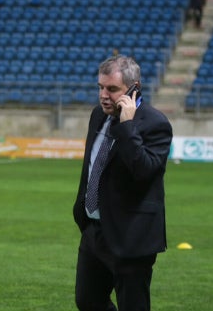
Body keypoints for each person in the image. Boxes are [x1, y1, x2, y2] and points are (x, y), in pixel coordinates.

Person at [72, 55, 173, 311]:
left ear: (133, 88)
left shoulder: (155, 123)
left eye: (112, 89)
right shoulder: (98, 115)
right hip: (94, 231)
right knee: (88, 301)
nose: (104, 95)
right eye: (100, 87)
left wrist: (127, 126)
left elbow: (144, 171)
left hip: (130, 236)